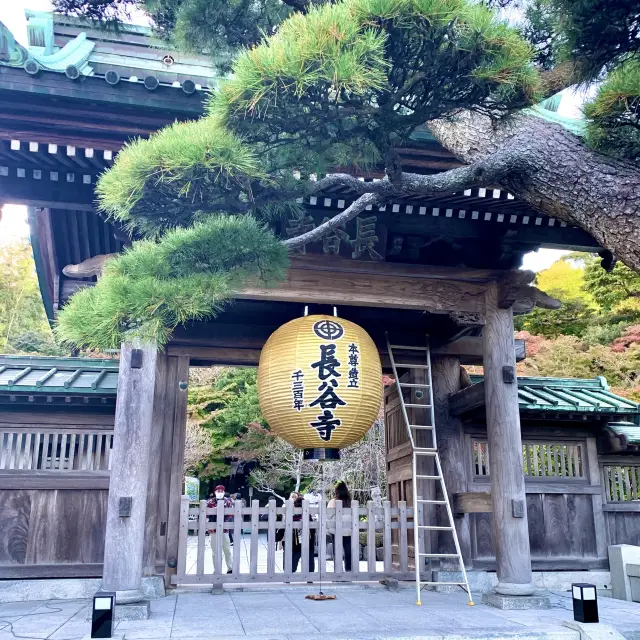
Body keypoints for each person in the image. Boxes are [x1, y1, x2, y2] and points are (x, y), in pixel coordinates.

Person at [327, 481, 353, 572]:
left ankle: (338, 571)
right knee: (348, 550)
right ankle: (349, 570)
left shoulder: (333, 501)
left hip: (336, 529)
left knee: (337, 550)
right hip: (348, 529)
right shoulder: (350, 502)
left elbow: (328, 515)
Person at [207, 484, 233, 574]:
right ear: (215, 492)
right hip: (213, 529)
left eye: (222, 491)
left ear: (224, 492)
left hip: (225, 529)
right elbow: (206, 514)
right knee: (215, 551)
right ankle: (216, 569)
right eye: (218, 491)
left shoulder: (228, 502)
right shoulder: (210, 502)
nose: (220, 493)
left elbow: (231, 513)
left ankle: (230, 568)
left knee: (227, 549)